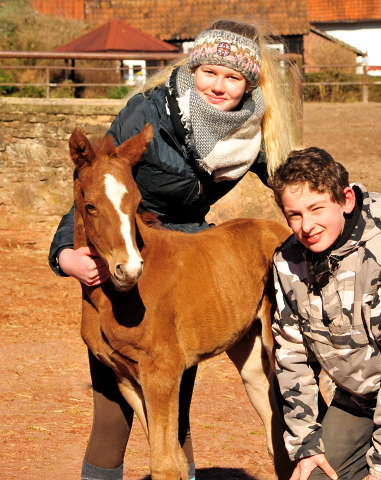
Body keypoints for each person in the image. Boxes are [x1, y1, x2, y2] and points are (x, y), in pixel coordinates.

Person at [48, 19, 300, 480]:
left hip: (184, 270)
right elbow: (95, 190)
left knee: (173, 407)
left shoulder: (249, 131)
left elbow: (295, 185)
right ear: (193, 66)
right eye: (209, 71)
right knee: (111, 416)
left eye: (233, 77)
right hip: (123, 249)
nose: (218, 86)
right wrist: (65, 253)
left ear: (249, 83)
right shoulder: (146, 113)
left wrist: (345, 209)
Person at [270, 147, 381, 480]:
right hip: (361, 396)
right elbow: (291, 353)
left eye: (317, 208)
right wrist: (306, 441)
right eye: (294, 215)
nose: (307, 225)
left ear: (345, 200)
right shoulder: (287, 262)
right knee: (315, 475)